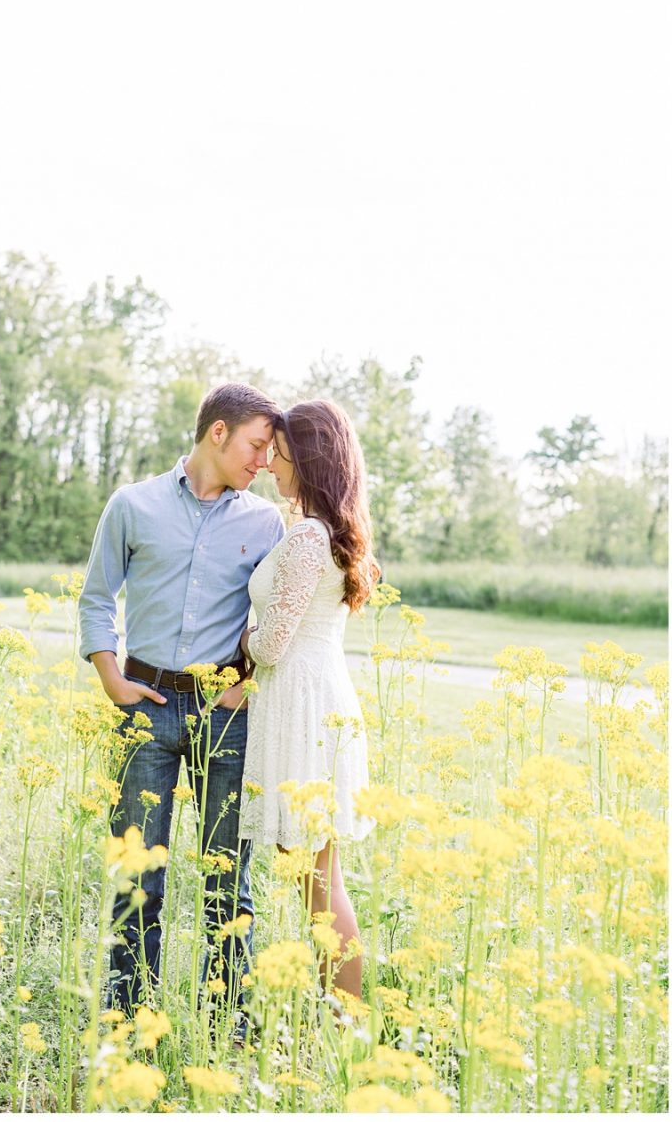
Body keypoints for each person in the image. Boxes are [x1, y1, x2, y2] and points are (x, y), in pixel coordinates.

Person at [80, 383, 286, 1019]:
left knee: (229, 875)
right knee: (137, 872)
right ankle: (130, 1010)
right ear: (217, 433)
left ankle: (223, 1018)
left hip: (225, 717)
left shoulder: (266, 521)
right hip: (144, 705)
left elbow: (277, 614)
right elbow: (96, 597)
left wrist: (245, 680)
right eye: (256, 446)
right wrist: (110, 677)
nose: (263, 463)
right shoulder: (132, 505)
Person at [237, 399, 378, 1003]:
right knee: (320, 876)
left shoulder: (305, 538)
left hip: (303, 704)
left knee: (317, 878)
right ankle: (342, 1013)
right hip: (319, 697)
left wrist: (237, 641)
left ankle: (345, 1016)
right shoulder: (332, 534)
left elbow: (271, 644)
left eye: (282, 453)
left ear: (310, 458)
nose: (270, 465)